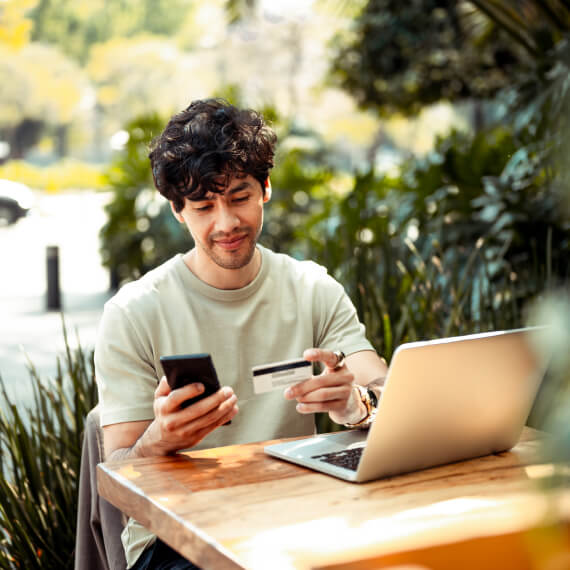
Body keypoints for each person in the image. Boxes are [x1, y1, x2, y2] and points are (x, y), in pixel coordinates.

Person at [94, 98, 388, 570]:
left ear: (265, 189)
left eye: (239, 197)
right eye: (204, 205)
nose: (226, 223)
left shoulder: (312, 288)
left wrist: (357, 405)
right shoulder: (133, 312)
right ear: (177, 210)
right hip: (176, 541)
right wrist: (160, 438)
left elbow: (386, 393)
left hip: (299, 516)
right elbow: (120, 470)